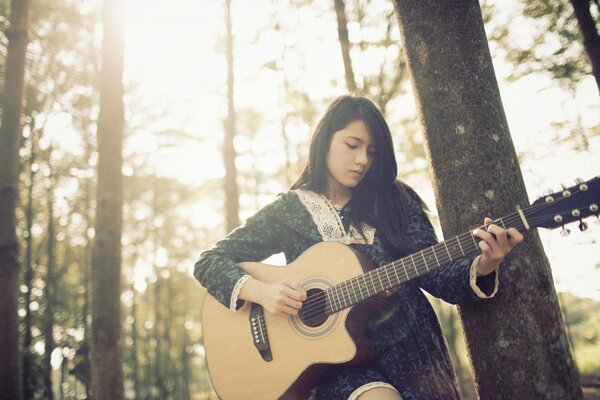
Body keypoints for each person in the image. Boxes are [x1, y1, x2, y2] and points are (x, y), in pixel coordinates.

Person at [194, 95, 523, 400]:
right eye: (352, 145)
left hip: (413, 358)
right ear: (325, 141)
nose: (362, 159)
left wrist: (484, 265)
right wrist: (263, 293)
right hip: (337, 367)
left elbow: (437, 276)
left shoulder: (395, 200)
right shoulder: (289, 211)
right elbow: (209, 262)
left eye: (372, 151)